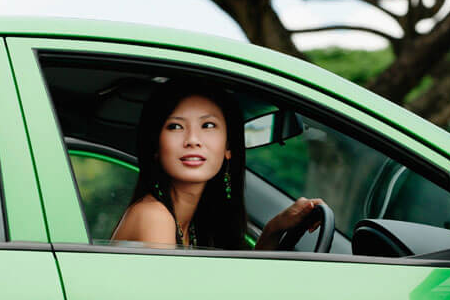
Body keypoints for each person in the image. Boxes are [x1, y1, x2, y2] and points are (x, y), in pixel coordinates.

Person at [111, 79, 324, 250]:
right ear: (155, 147)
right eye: (175, 126)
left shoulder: (191, 225)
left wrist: (274, 230)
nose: (193, 139)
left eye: (208, 125)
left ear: (228, 147)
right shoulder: (155, 216)